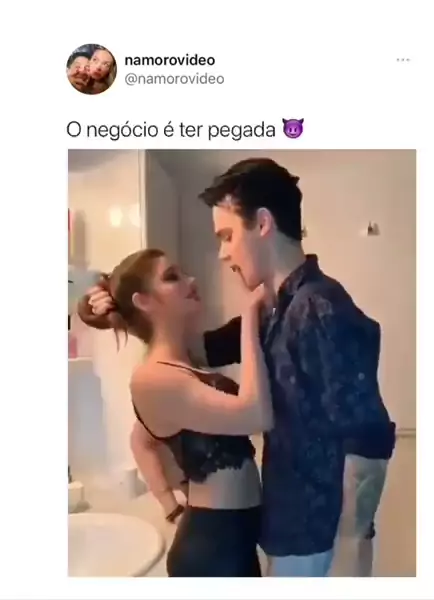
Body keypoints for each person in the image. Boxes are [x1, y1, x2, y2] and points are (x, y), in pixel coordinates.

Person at [79, 157, 396, 577]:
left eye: (227, 236)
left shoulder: (317, 307)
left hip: (315, 535)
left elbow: (368, 434)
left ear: (262, 223)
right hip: (281, 529)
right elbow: (190, 352)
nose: (222, 253)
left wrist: (354, 542)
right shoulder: (273, 310)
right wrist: (111, 307)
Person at [78, 248, 272, 577]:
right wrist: (250, 316)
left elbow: (140, 438)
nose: (191, 280)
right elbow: (257, 416)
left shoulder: (183, 365)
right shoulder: (153, 378)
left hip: (233, 538)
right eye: (172, 277)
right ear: (143, 301)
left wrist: (169, 503)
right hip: (213, 548)